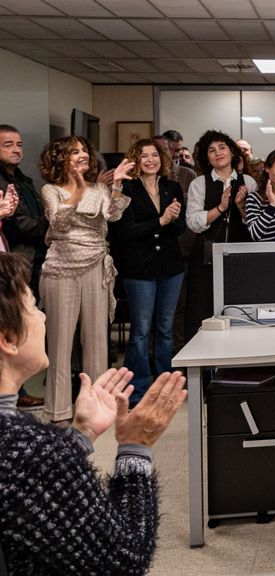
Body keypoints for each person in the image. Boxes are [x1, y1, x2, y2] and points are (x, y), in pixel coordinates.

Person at [0, 252, 187, 574]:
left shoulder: (30, 452)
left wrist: (80, 435)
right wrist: (135, 448)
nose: (43, 317)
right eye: (33, 307)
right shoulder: (30, 451)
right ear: (8, 339)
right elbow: (123, 560)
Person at [37, 136, 133, 424]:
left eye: (84, 151)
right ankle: (58, 411)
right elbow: (59, 223)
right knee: (60, 344)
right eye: (74, 152)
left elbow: (113, 216)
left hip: (95, 266)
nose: (82, 155)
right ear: (60, 159)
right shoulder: (50, 190)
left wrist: (115, 185)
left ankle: (98, 406)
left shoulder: (99, 188)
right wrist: (77, 190)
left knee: (96, 343)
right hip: (60, 269)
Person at [111, 138, 186, 406]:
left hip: (170, 267)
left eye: (155, 155)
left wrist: (173, 219)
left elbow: (179, 230)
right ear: (135, 160)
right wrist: (161, 221)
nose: (150, 160)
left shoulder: (172, 186)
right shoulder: (127, 189)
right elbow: (124, 232)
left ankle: (165, 384)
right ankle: (140, 389)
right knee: (141, 330)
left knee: (165, 328)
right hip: (139, 269)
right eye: (144, 156)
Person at [184, 130, 255, 339]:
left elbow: (255, 223)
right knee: (203, 311)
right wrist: (221, 208)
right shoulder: (199, 183)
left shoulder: (248, 182)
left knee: (240, 310)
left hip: (241, 255)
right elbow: (194, 222)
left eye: (222, 148)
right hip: (206, 257)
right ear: (206, 157)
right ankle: (203, 368)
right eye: (212, 150)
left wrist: (241, 207)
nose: (218, 153)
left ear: (232, 152)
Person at [0, 125, 47, 300]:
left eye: (19, 145)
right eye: (8, 145)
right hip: (12, 261)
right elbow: (16, 226)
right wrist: (50, 222)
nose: (16, 150)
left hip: (33, 258)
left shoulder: (24, 179)